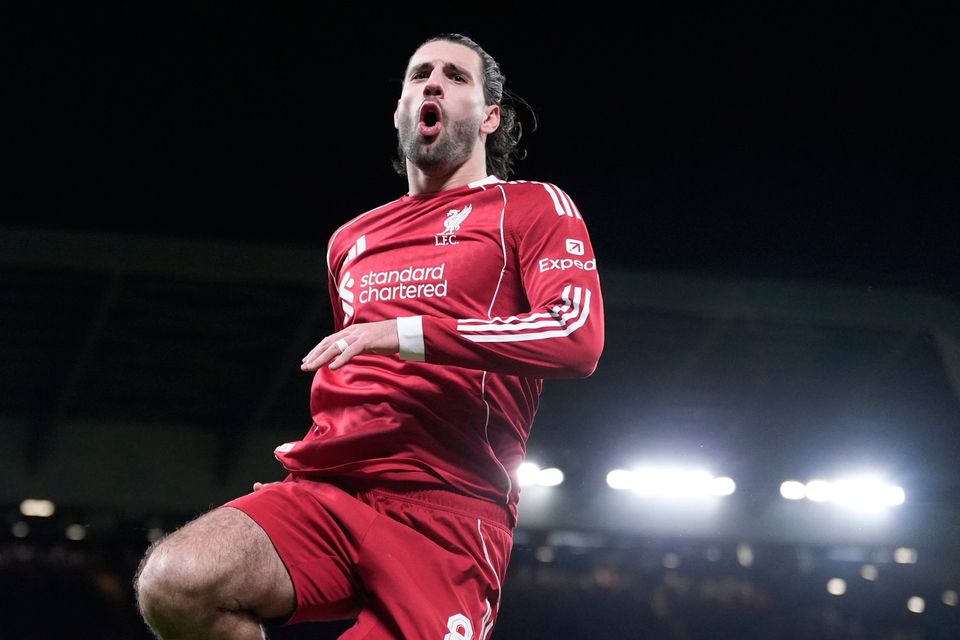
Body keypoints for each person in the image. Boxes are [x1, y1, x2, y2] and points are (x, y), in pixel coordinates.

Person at [134, 32, 604, 640]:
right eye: (419, 75)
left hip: (449, 518)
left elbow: (575, 337)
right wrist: (309, 475)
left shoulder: (532, 207)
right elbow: (358, 378)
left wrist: (409, 332)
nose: (433, 83)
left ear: (491, 117)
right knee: (176, 583)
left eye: (456, 77)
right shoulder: (350, 241)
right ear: (400, 111)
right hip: (331, 498)